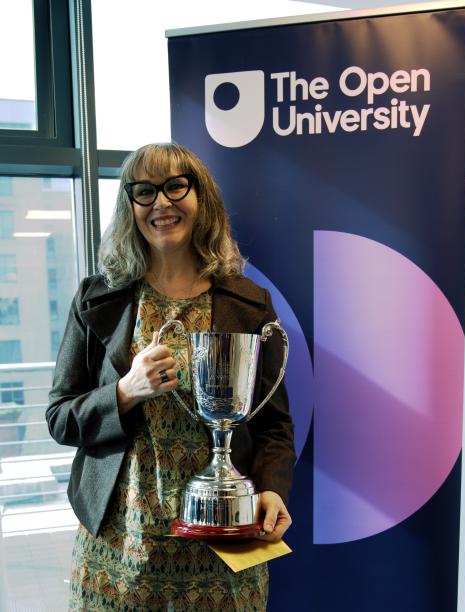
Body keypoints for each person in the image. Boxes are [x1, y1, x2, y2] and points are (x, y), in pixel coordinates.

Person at [47, 142, 296, 611]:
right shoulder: (97, 298)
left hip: (222, 551)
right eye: (144, 192)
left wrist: (272, 489)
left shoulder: (249, 302)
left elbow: (273, 424)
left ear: (201, 197)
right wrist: (124, 392)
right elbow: (61, 417)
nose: (161, 203)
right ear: (130, 206)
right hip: (119, 551)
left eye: (175, 186)